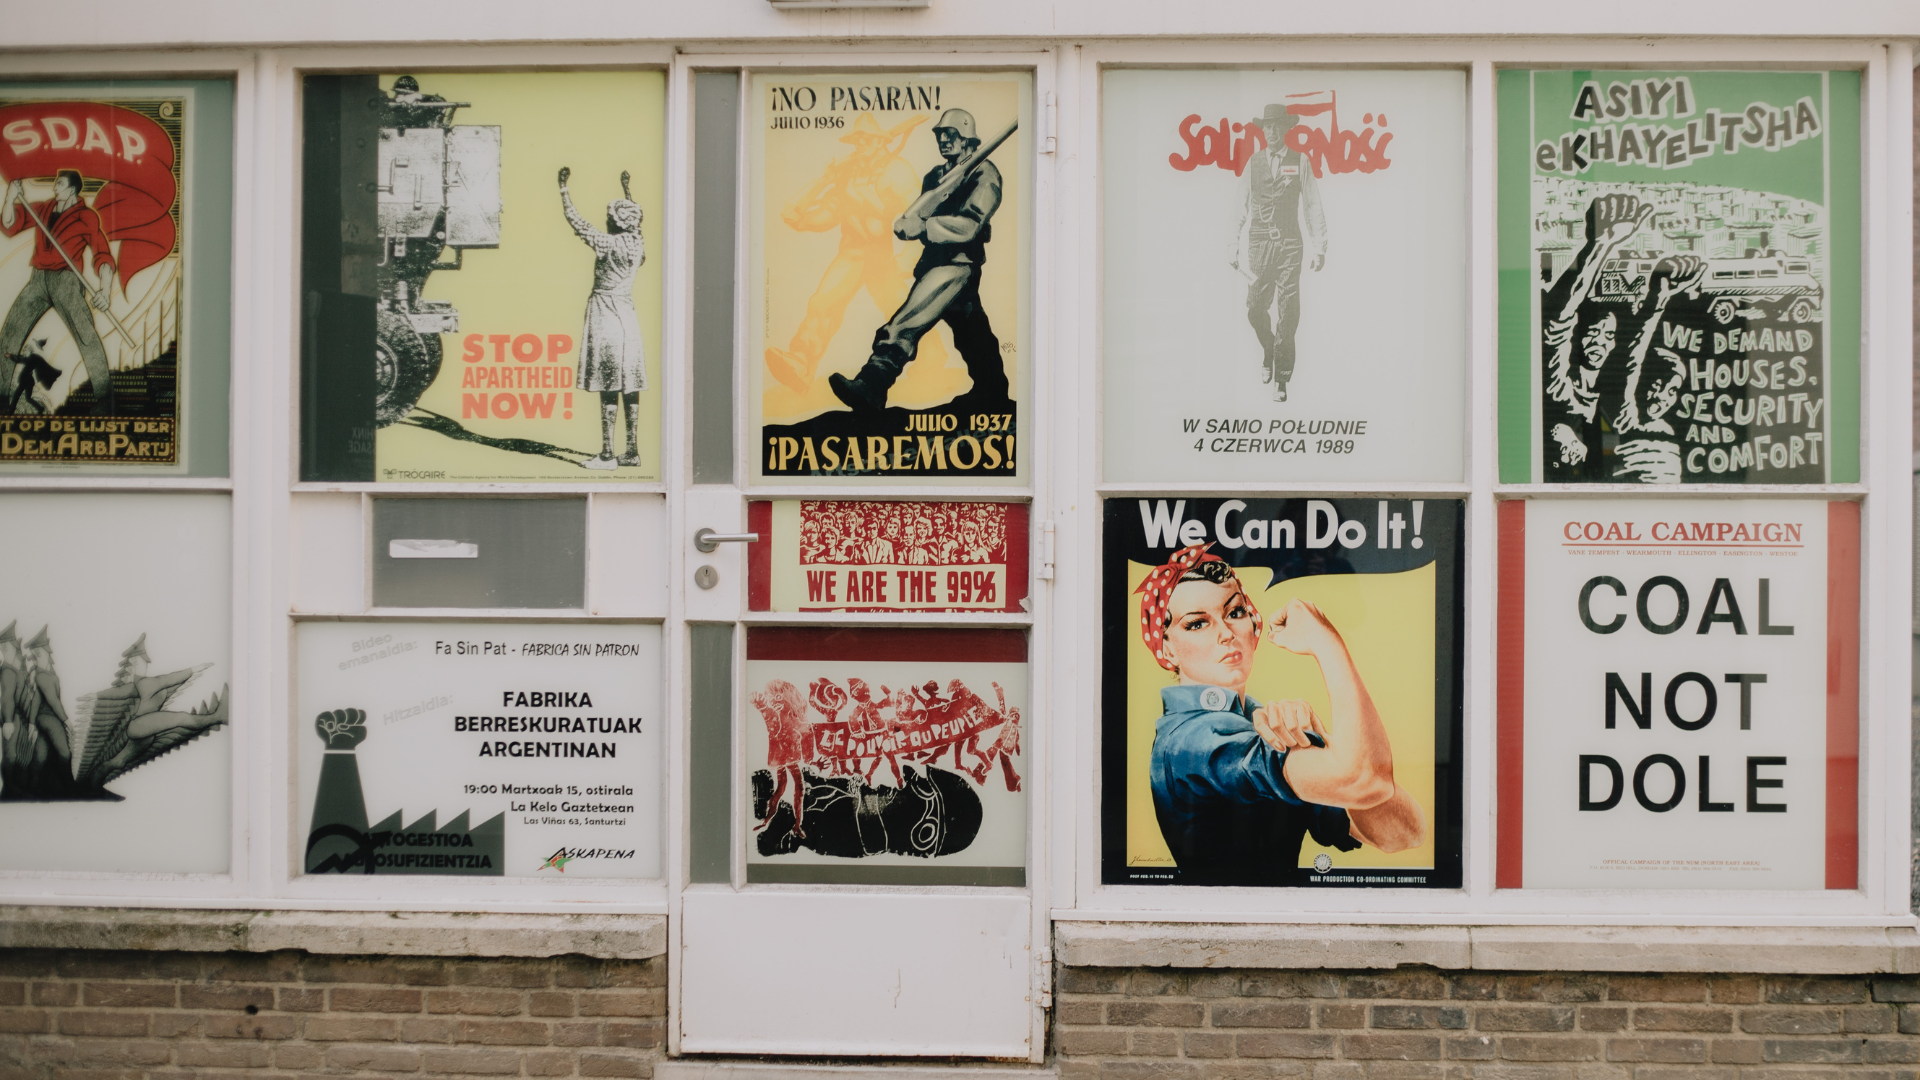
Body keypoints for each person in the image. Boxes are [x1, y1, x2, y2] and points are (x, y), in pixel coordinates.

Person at [1137, 544, 1425, 885]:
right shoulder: (1194, 739)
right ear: (1167, 647)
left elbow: (1403, 834)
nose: (1226, 634)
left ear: (1253, 621)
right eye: (1198, 624)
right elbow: (1365, 780)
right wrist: (1327, 643)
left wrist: (1324, 745)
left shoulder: (1253, 725)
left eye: (1235, 612)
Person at [766, 112, 959, 399]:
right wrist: (824, 180)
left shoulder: (897, 169)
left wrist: (908, 257)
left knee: (898, 310)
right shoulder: (846, 175)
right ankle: (800, 364)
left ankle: (932, 360)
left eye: (867, 140)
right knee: (822, 303)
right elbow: (816, 215)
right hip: (851, 252)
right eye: (857, 141)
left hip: (880, 256)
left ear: (881, 142)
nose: (861, 146)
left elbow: (917, 213)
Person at [829, 108, 1009, 414]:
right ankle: (993, 392)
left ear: (968, 139)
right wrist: (907, 222)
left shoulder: (984, 173)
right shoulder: (935, 176)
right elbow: (918, 213)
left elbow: (969, 224)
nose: (944, 140)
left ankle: (872, 383)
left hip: (958, 264)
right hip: (933, 263)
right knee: (972, 332)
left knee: (904, 323)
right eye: (941, 135)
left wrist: (924, 228)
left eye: (951, 135)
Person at [1540, 193, 1653, 480]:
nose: (1599, 341)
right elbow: (1562, 313)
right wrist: (1599, 245)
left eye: (1607, 334)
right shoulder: (1561, 388)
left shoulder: (1609, 400)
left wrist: (1661, 298)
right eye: (1592, 332)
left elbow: (1636, 352)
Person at [1229, 104, 1327, 403]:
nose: (1271, 132)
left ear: (1286, 129)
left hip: (1289, 245)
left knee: (1288, 312)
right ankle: (1268, 348)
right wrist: (1233, 244)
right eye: (1267, 127)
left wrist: (1319, 245)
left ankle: (1282, 378)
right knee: (1255, 308)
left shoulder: (1300, 161)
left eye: (1277, 126)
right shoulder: (1254, 163)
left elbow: (1311, 204)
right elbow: (1240, 205)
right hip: (1258, 244)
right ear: (1263, 131)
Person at [1, 170, 116, 415]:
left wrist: (105, 289)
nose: (55, 188)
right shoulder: (43, 209)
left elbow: (102, 254)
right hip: (38, 279)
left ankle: (105, 401)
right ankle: (0, 396)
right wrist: (10, 198)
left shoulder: (86, 217)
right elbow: (9, 225)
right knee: (10, 332)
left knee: (86, 336)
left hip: (67, 280)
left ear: (72, 189)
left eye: (59, 184)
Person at [558, 167, 646, 469]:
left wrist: (563, 189)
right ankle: (632, 451)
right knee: (629, 382)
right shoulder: (636, 245)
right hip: (628, 316)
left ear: (613, 221)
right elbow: (638, 227)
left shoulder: (607, 244)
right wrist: (627, 191)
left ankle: (608, 454)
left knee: (609, 382)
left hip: (606, 314)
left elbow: (578, 223)